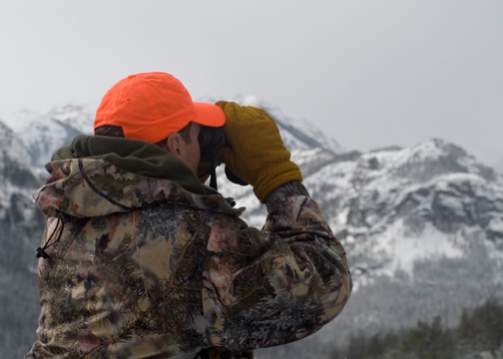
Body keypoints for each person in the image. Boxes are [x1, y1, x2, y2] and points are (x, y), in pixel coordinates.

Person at [26, 72, 352, 359]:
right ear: (176, 145)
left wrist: (189, 182)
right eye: (196, 134)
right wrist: (275, 176)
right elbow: (325, 280)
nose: (203, 145)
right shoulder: (190, 239)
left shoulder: (70, 215)